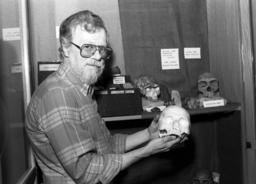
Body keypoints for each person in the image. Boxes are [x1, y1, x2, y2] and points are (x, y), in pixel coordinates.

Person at [25, 10, 182, 184]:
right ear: (66, 48)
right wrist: (146, 151)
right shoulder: (57, 95)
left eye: (101, 49)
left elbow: (105, 145)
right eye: (88, 48)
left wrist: (148, 134)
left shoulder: (82, 89)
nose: (98, 57)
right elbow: (85, 171)